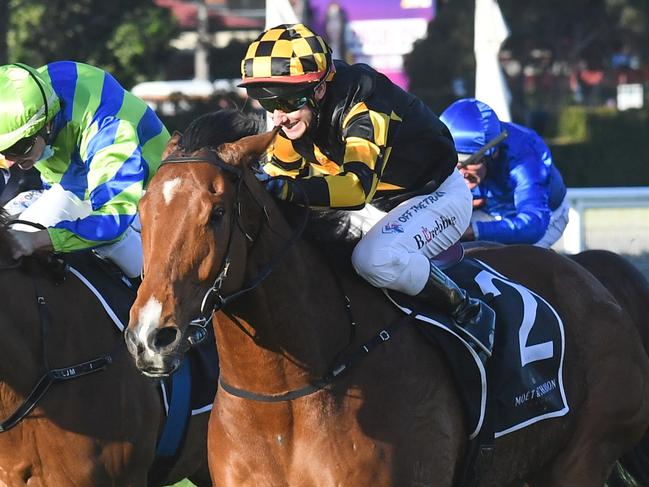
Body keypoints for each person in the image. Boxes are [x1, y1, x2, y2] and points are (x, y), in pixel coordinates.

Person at [239, 23, 494, 338]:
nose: (279, 116)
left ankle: (466, 308)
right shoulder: (290, 118)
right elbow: (281, 178)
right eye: (268, 103)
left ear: (319, 89)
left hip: (436, 197)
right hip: (378, 205)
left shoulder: (364, 105)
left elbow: (356, 189)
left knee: (373, 260)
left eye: (289, 102)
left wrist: (286, 189)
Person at [0, 61, 170, 277]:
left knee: (117, 247)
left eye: (18, 148)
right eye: (3, 150)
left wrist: (37, 240)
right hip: (71, 183)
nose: (9, 159)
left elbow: (112, 219)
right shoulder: (18, 106)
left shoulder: (108, 126)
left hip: (144, 197)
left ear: (47, 124)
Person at [440, 98, 569, 247]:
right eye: (452, 161)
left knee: (509, 263)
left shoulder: (524, 159)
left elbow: (533, 224)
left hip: (545, 217)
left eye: (470, 162)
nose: (460, 172)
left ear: (492, 154)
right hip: (486, 210)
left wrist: (472, 230)